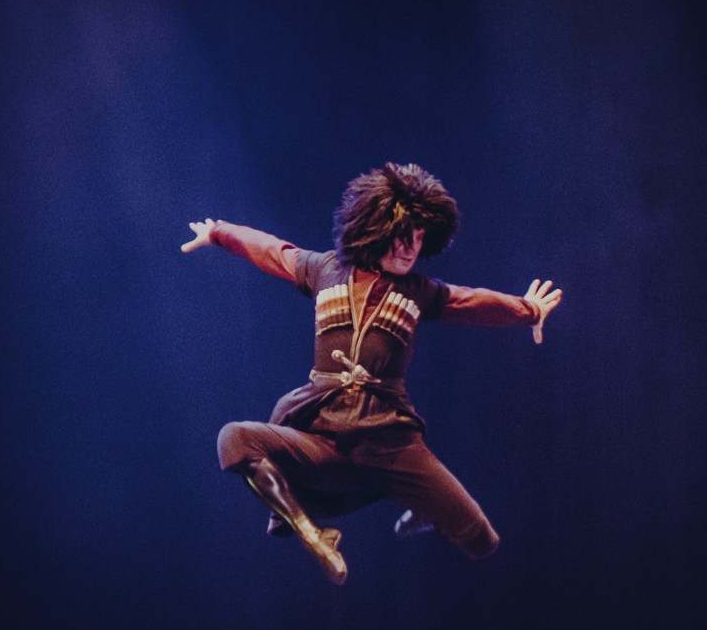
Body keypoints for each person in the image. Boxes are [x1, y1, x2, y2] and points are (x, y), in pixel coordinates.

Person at [183, 162, 562, 584]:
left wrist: (529, 310)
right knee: (234, 439)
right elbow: (273, 251)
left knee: (481, 540)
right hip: (324, 438)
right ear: (376, 228)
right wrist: (219, 232)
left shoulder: (419, 292)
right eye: (402, 237)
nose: (410, 249)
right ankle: (311, 532)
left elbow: (473, 302)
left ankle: (419, 502)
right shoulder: (325, 270)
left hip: (389, 443)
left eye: (419, 238)